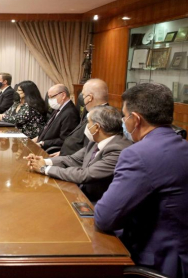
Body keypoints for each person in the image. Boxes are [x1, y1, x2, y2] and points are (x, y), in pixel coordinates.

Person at [95, 83, 188, 278]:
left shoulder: (138, 154)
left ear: (136, 119)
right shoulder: (182, 145)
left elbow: (105, 217)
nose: (123, 122)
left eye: (124, 116)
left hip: (156, 260)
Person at [28, 106, 131, 202]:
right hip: (81, 192)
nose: (86, 126)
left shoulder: (118, 149)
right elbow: (72, 159)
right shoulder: (95, 141)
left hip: (97, 201)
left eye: (88, 123)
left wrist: (44, 168)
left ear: (96, 127)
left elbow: (85, 174)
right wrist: (43, 161)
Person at [58, 79, 109, 156]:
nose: (83, 99)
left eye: (84, 95)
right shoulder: (93, 112)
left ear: (90, 98)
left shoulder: (100, 118)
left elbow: (87, 151)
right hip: (65, 156)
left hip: (72, 162)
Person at [32, 84, 79, 151]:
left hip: (48, 150)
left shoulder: (70, 113)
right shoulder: (58, 108)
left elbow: (64, 139)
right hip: (40, 145)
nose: (50, 100)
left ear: (63, 95)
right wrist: (35, 139)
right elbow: (47, 128)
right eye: (49, 97)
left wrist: (43, 143)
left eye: (52, 97)